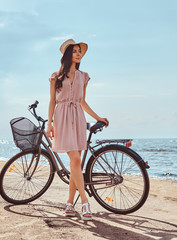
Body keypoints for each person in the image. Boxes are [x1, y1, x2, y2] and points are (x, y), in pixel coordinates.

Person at [46, 39, 109, 221]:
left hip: (78, 118)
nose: (78, 53)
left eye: (79, 51)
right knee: (74, 159)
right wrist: (49, 123)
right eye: (74, 51)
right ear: (67, 55)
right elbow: (52, 101)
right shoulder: (55, 76)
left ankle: (68, 204)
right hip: (62, 117)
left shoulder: (84, 76)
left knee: (76, 165)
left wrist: (97, 117)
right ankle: (85, 202)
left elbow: (82, 101)